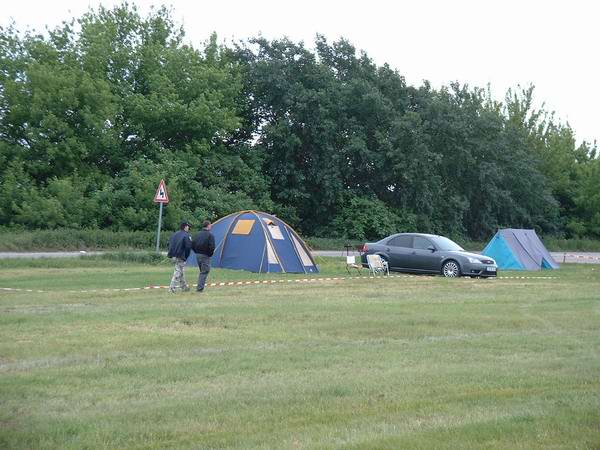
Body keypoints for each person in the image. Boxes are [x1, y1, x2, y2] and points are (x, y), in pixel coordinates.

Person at [167, 221, 192, 293]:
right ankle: (172, 288)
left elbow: (168, 243)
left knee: (181, 271)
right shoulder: (186, 235)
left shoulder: (174, 234)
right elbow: (188, 247)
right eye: (188, 226)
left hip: (173, 255)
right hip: (181, 255)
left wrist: (171, 253)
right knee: (178, 272)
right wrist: (186, 256)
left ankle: (184, 287)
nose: (188, 228)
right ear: (185, 227)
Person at [192, 220, 215, 292]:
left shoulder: (197, 234)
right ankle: (199, 289)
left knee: (202, 271)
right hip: (205, 256)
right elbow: (212, 247)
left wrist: (196, 251)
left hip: (198, 255)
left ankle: (200, 286)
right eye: (210, 225)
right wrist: (210, 254)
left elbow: (192, 244)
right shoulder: (210, 235)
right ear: (208, 226)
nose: (211, 226)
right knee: (204, 271)